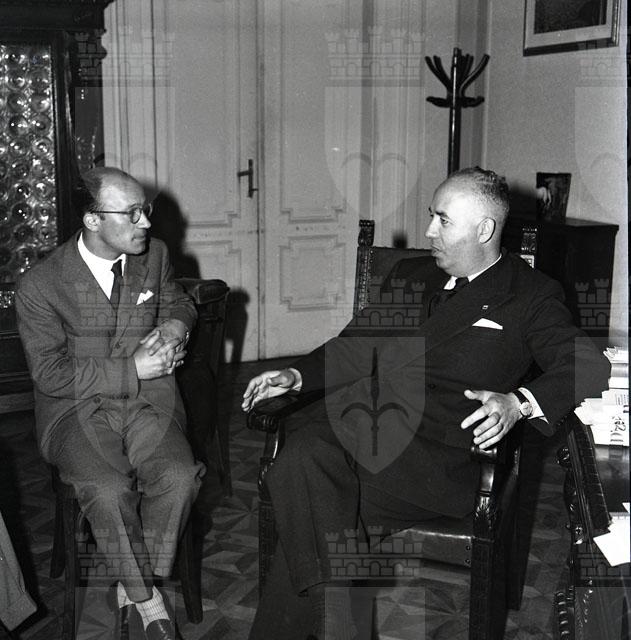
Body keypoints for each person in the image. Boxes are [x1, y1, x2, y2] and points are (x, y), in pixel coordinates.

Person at [241, 167, 611, 640]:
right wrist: (295, 375)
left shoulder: (529, 294)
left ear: (484, 229)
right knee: (308, 465)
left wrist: (517, 403)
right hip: (367, 431)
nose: (430, 231)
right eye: (431, 216)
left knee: (304, 485)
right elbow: (356, 347)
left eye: (443, 220)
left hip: (440, 459)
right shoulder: (410, 276)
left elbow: (588, 365)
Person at [15, 167, 204, 640]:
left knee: (180, 477)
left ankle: (131, 583)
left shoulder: (154, 255)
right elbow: (50, 374)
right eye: (133, 213)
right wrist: (132, 368)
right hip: (75, 410)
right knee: (106, 488)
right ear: (93, 220)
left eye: (147, 210)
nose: (146, 223)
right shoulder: (40, 285)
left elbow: (178, 301)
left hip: (148, 404)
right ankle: (147, 599)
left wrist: (177, 324)